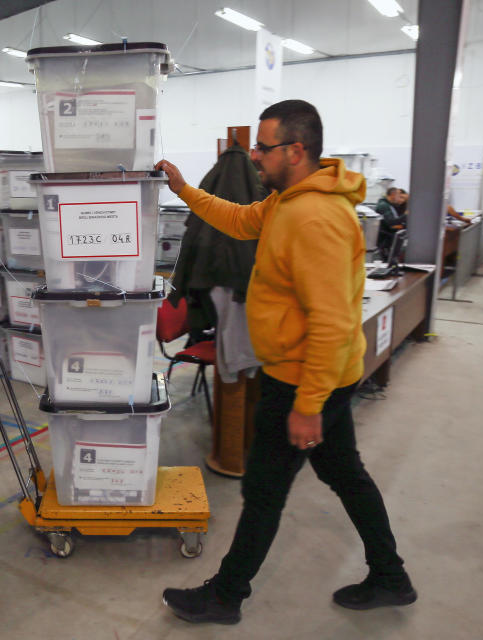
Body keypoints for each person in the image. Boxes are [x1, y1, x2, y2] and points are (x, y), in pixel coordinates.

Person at [155, 99, 415, 625]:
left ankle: (225, 596)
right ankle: (390, 575)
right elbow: (239, 218)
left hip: (301, 380)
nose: (254, 155)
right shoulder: (287, 202)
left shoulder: (315, 218)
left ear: (296, 151)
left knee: (264, 491)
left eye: (264, 146)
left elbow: (332, 322)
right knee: (346, 475)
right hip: (317, 376)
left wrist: (308, 405)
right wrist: (184, 191)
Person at [374, 187, 406, 258]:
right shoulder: (384, 206)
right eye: (399, 196)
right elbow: (391, 222)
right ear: (393, 195)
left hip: (388, 241)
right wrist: (406, 215)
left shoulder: (390, 206)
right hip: (384, 242)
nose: (399, 199)